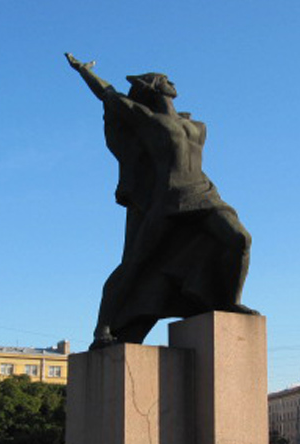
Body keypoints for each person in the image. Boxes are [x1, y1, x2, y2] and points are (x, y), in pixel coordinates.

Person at [66, 53, 256, 349]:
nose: (171, 82)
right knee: (135, 265)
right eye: (164, 79)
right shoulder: (147, 121)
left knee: (239, 239)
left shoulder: (197, 125)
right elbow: (108, 95)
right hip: (168, 200)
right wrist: (83, 71)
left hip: (204, 194)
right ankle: (103, 328)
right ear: (152, 87)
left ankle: (230, 303)